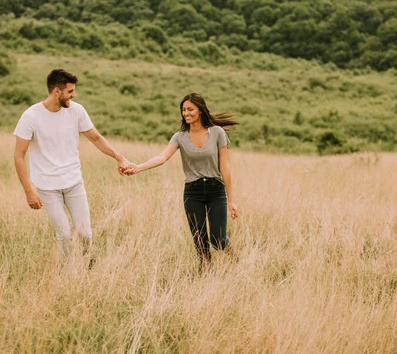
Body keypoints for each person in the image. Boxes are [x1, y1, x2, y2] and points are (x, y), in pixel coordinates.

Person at [13, 68, 131, 263]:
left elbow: (95, 138)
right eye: (70, 91)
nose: (74, 95)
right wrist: (29, 192)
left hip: (73, 182)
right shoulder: (31, 116)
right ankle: (67, 274)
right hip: (47, 187)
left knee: (85, 233)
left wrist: (119, 158)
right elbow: (19, 156)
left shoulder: (77, 111)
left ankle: (87, 269)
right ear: (56, 91)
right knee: (65, 234)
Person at [124, 93, 239, 265]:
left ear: (200, 110)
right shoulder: (180, 136)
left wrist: (231, 201)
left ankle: (237, 260)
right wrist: (137, 168)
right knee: (200, 242)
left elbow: (225, 168)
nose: (186, 113)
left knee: (218, 240)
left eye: (190, 109)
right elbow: (162, 157)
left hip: (216, 190)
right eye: (184, 110)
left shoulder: (217, 133)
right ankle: (206, 273)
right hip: (193, 192)